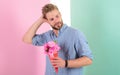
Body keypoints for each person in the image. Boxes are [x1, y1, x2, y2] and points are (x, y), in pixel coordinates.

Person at [23, 3, 93, 75]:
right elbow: (26, 39)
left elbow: (88, 60)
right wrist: (40, 20)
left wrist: (65, 63)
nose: (56, 21)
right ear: (47, 21)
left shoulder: (76, 34)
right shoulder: (47, 36)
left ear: (60, 14)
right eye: (52, 19)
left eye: (57, 16)